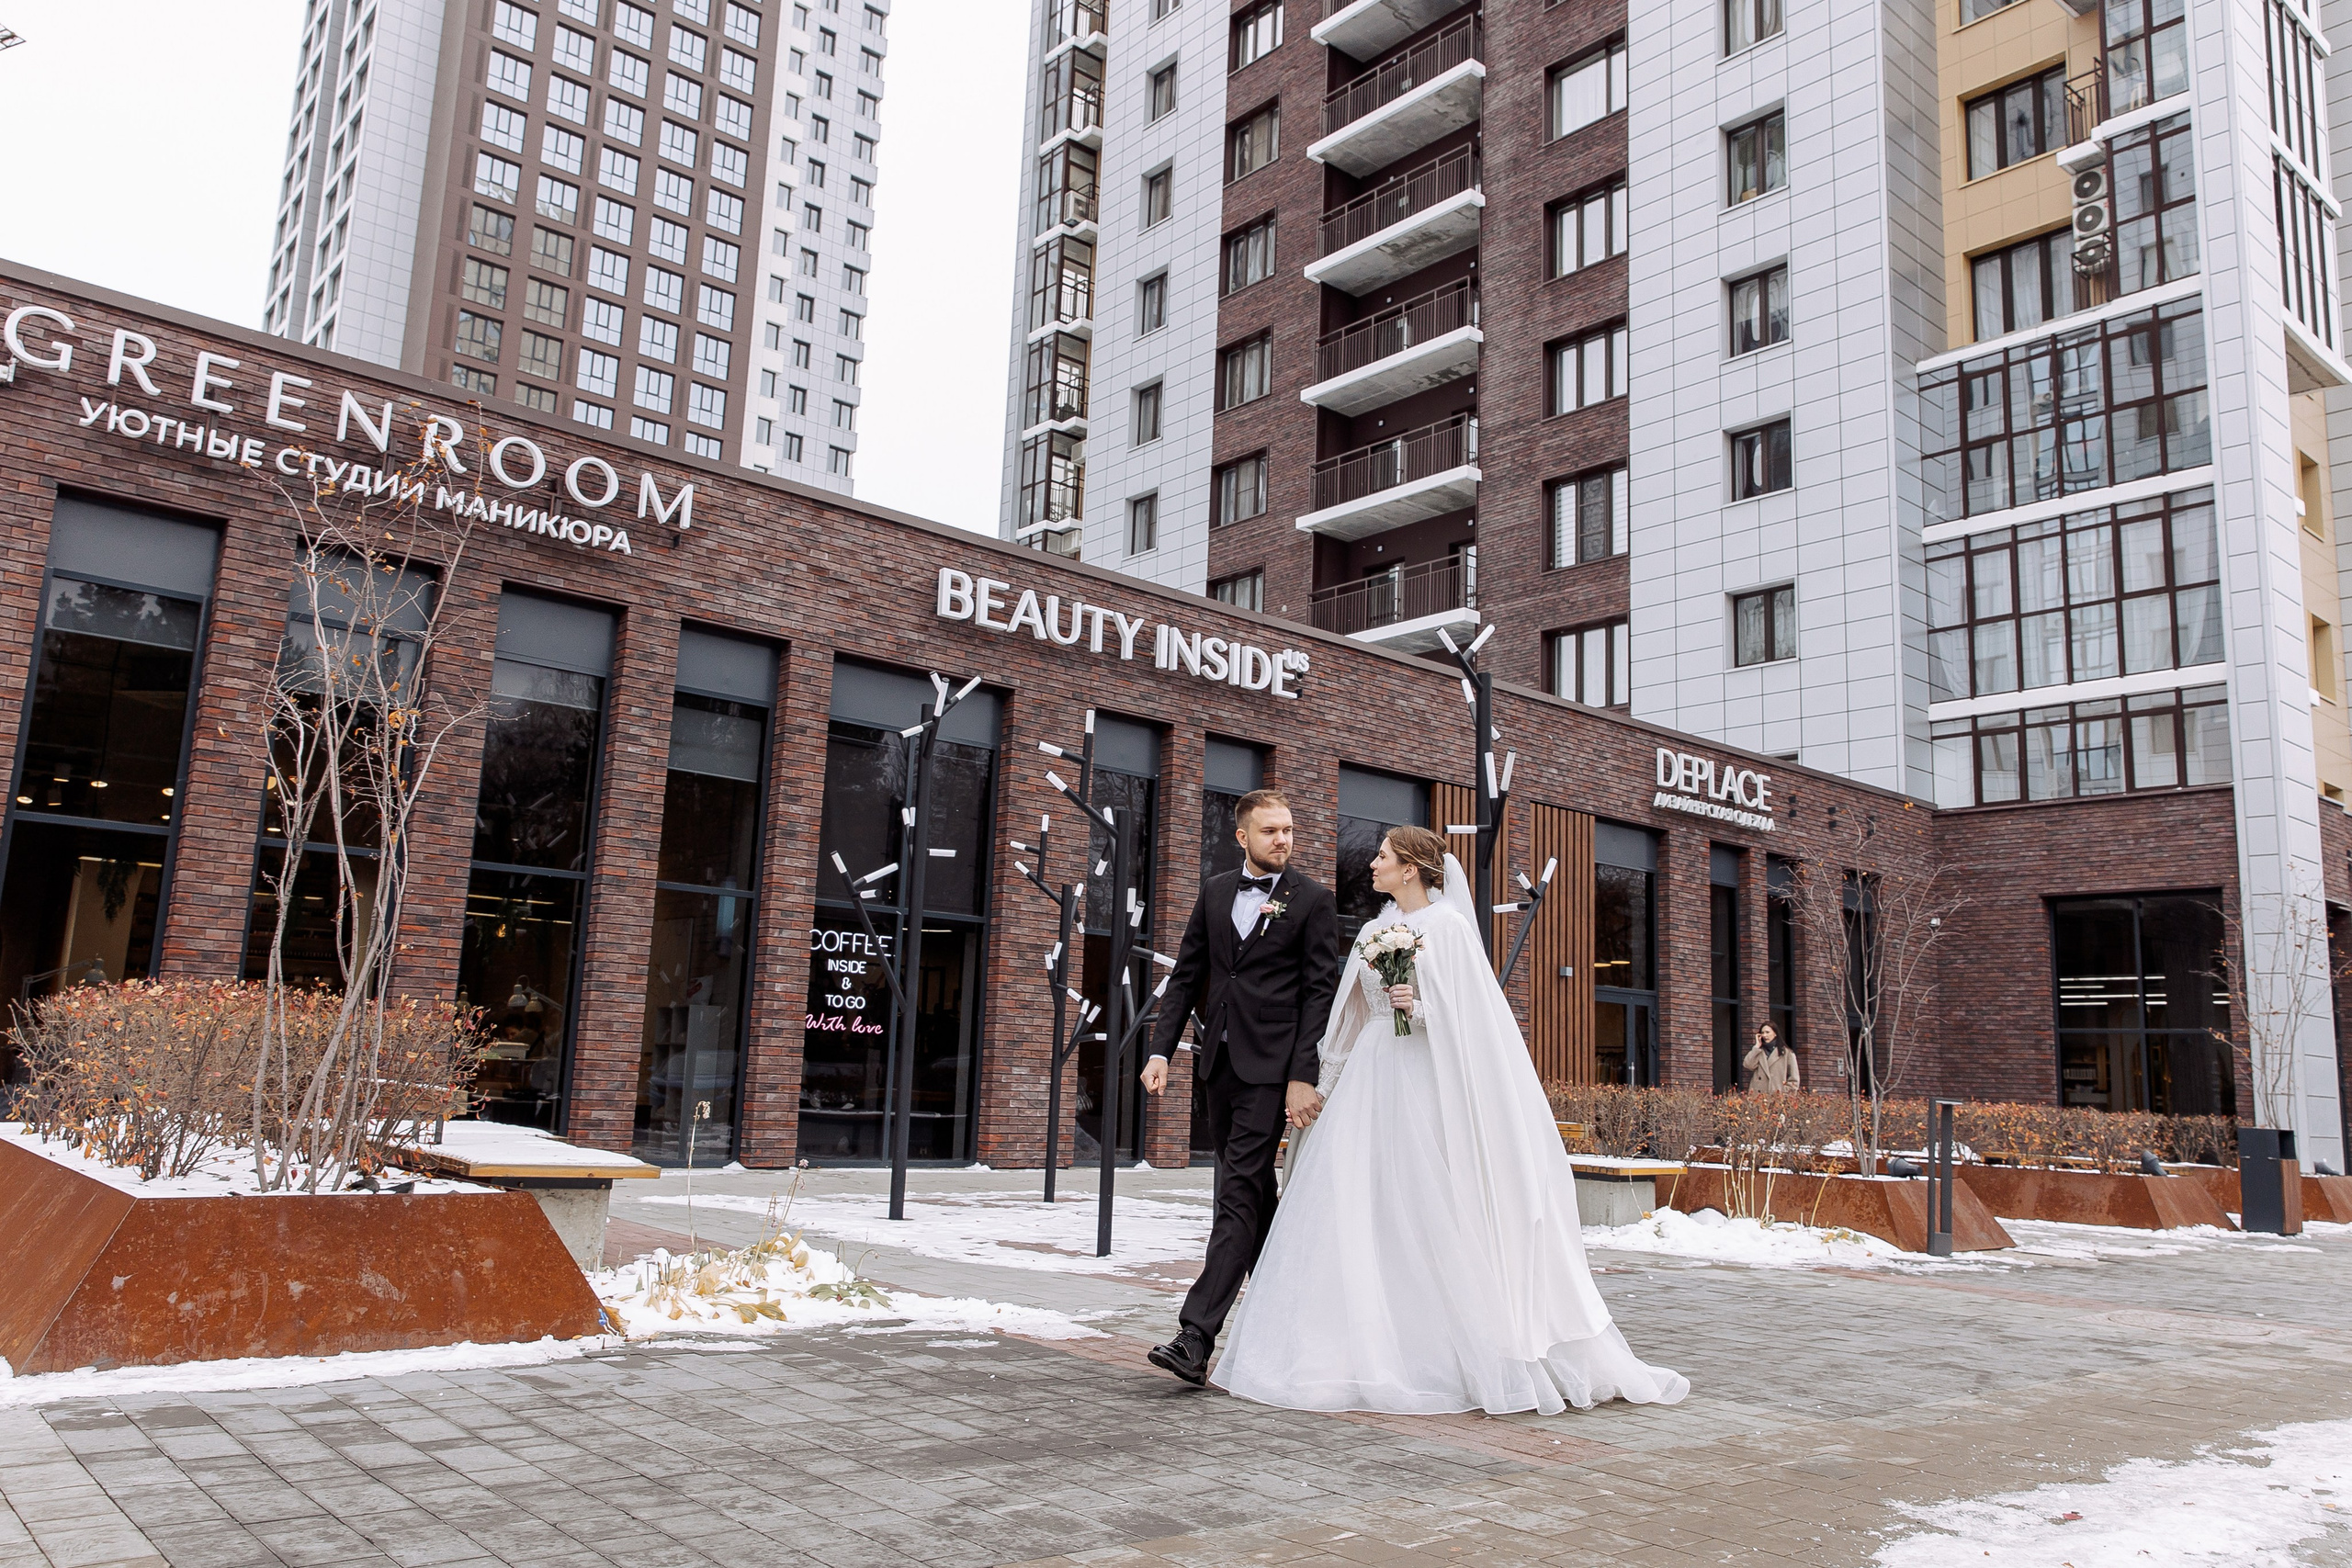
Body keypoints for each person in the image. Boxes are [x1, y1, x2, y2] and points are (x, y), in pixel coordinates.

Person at [1208, 826, 1689, 1416]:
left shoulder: (1452, 930)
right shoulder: (1371, 931)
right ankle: (1355, 1344)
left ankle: (1444, 1347)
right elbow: (1350, 1018)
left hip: (1425, 1083)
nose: (1373, 866)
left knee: (1425, 1203)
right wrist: (1318, 1094)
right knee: (1360, 1206)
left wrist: (1423, 1006)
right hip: (1369, 1078)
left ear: (1411, 868)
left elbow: (1475, 1021)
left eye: (1382, 858)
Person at [1138, 789, 1341, 1387]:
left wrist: (1303, 1074)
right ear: (1242, 836)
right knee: (1254, 1196)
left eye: (1289, 829)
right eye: (1271, 830)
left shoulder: (1313, 902)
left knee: (1232, 1194)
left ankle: (1195, 1336)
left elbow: (1319, 993)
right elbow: (1188, 976)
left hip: (1273, 1069)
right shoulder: (1215, 891)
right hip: (1219, 1066)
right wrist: (1160, 1047)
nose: (1284, 838)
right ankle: (1301, 1316)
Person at [1744, 1023, 1799, 1093]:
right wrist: (1756, 1047)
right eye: (1762, 1033)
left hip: (1777, 1097)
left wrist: (1784, 1092)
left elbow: (1794, 1079)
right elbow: (1748, 1065)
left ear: (1775, 1033)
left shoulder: (1786, 1053)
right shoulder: (1758, 1051)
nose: (1764, 1035)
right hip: (1758, 1097)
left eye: (1767, 1032)